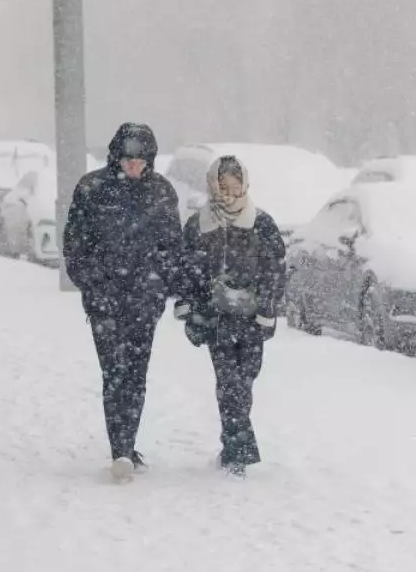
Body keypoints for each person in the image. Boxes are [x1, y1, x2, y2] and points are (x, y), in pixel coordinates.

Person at [62, 122, 184, 483]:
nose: (134, 165)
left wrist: (159, 286)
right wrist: (93, 285)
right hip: (104, 301)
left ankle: (127, 445)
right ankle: (122, 448)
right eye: (128, 158)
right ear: (117, 156)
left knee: (136, 373)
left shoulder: (162, 192)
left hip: (144, 302)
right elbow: (75, 246)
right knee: (114, 373)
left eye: (140, 159)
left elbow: (171, 248)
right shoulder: (92, 189)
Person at [174, 155, 286, 478]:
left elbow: (275, 269)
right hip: (217, 319)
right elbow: (186, 269)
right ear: (212, 185)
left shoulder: (261, 223)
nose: (229, 191)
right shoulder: (199, 225)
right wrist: (190, 304)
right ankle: (239, 452)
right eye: (223, 185)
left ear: (245, 185)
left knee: (245, 381)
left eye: (235, 185)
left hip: (252, 320)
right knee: (229, 383)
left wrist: (267, 308)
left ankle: (231, 443)